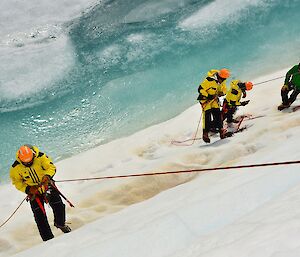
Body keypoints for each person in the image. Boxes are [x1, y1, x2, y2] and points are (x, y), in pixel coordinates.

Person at [10, 145, 71, 241]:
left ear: (33, 155)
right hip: (33, 193)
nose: (28, 163)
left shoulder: (41, 157)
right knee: (39, 217)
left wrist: (47, 176)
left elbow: (51, 167)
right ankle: (48, 239)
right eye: (25, 162)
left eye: (30, 161)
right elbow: (17, 182)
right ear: (21, 160)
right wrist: (28, 189)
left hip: (47, 185)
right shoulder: (15, 168)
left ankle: (60, 224)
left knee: (58, 206)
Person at [197, 68, 230, 143]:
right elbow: (200, 89)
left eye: (224, 79)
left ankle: (221, 130)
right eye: (222, 79)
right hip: (206, 100)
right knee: (207, 116)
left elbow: (224, 89)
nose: (223, 81)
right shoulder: (209, 80)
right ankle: (205, 134)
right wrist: (208, 96)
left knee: (218, 114)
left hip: (214, 99)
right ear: (219, 77)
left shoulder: (222, 81)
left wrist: (223, 92)